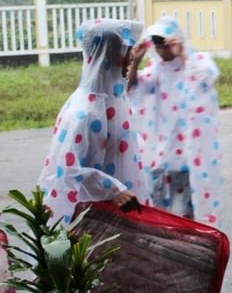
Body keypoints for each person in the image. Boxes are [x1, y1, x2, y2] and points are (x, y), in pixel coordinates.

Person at [38, 18, 151, 226]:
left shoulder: (113, 99)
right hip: (89, 222)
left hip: (111, 218)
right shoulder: (86, 111)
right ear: (108, 54)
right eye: (124, 51)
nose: (129, 59)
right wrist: (112, 188)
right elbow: (68, 169)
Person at [127, 17, 223, 227]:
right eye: (158, 44)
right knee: (158, 217)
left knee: (182, 218)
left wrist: (183, 54)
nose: (162, 49)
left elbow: (206, 77)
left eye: (165, 42)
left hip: (186, 160)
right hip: (158, 160)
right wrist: (135, 60)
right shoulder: (155, 71)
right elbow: (130, 90)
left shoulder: (197, 61)